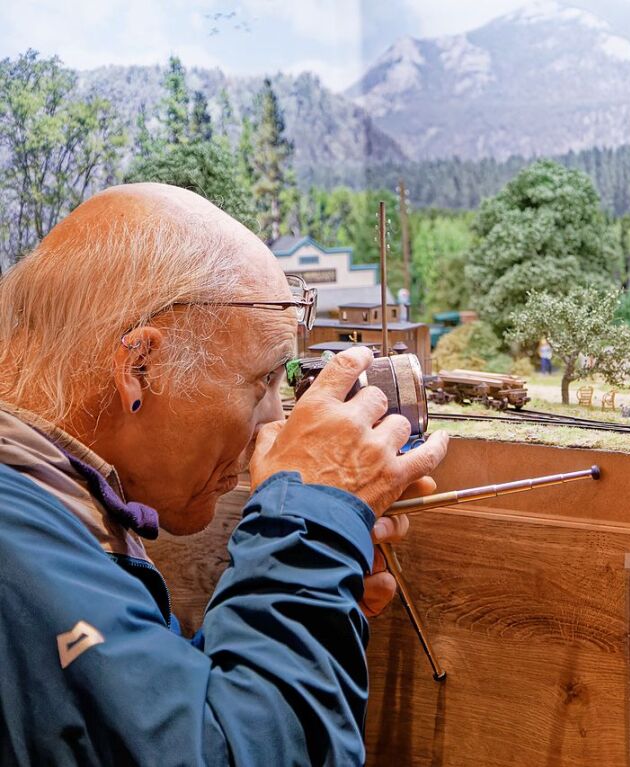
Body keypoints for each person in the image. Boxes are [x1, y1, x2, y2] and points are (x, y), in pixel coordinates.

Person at [0, 183, 449, 765]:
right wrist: (306, 542)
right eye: (263, 381)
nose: (272, 426)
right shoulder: (18, 544)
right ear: (140, 367)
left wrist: (301, 611)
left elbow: (144, 734)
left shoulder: (49, 503)